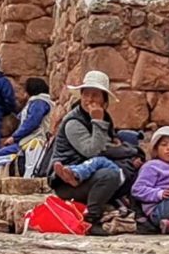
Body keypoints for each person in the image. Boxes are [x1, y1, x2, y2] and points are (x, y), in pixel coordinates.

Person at [48, 69, 127, 229]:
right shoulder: (74, 122)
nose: (89, 99)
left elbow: (109, 143)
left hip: (90, 174)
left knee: (129, 169)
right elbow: (92, 151)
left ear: (104, 101)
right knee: (110, 175)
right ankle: (92, 218)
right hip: (68, 183)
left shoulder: (105, 117)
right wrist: (97, 121)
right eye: (86, 94)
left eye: (95, 95)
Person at [0, 76, 54, 174]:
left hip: (33, 141)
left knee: (1, 156)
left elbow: (31, 122)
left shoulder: (39, 102)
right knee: (1, 156)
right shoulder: (37, 102)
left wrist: (14, 137)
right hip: (26, 141)